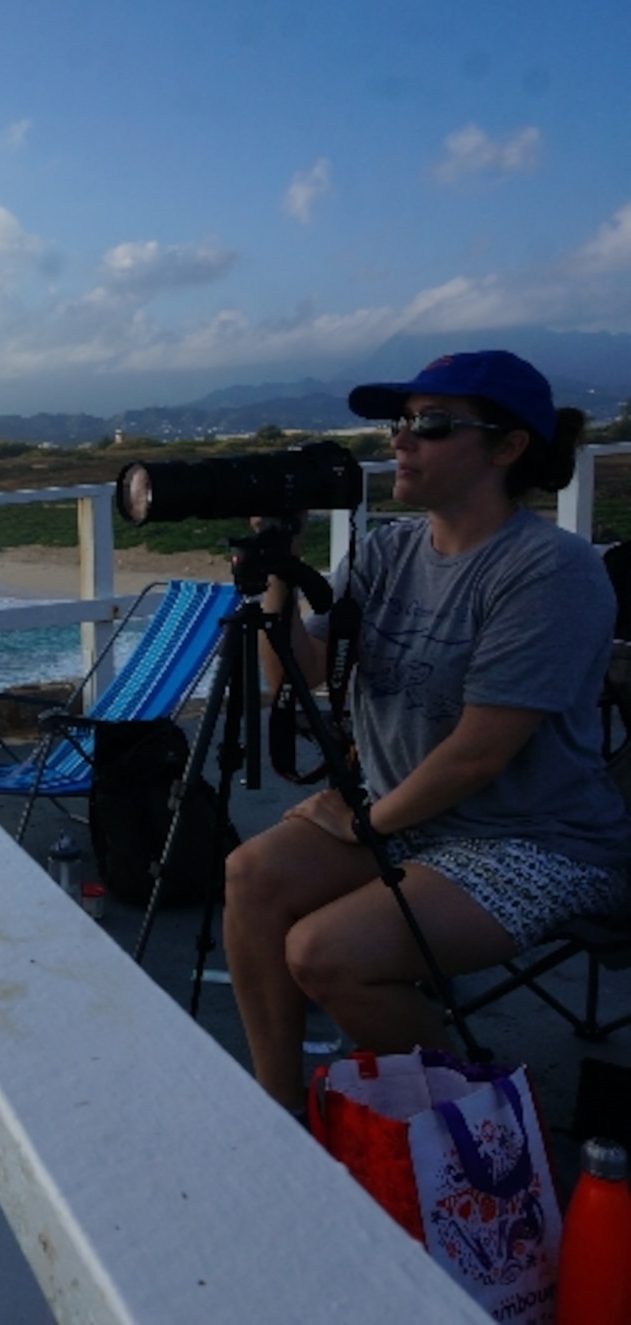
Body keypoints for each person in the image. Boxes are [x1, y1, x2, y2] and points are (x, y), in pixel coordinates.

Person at [226, 349, 631, 1110]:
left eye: (432, 425)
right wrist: (280, 562)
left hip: (536, 838)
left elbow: (480, 751)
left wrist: (365, 820)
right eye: (401, 423)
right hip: (411, 819)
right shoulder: (390, 551)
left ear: (508, 447)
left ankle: (485, 1123)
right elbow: (294, 673)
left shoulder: (551, 570)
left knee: (326, 953)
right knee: (252, 876)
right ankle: (275, 1110)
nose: (401, 440)